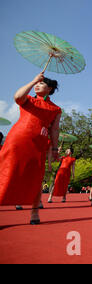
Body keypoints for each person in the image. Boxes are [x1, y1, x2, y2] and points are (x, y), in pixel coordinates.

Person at [0, 72, 61, 224]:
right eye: (37, 84)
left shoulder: (56, 109)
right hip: (18, 139)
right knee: (7, 171)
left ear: (50, 88)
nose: (37, 86)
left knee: (36, 176)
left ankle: (34, 212)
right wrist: (33, 80)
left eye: (41, 83)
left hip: (40, 143)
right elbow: (17, 97)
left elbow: (54, 129)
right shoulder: (29, 100)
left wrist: (54, 148)